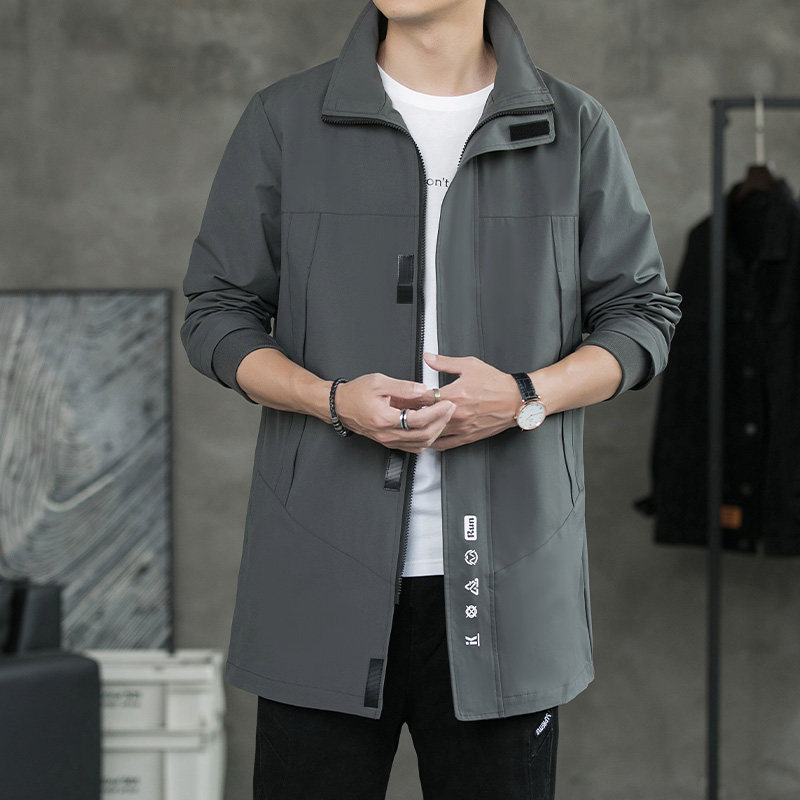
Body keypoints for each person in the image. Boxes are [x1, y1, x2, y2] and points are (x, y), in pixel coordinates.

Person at [180, 0, 683, 797]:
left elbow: (643, 314)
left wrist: (523, 395)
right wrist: (328, 399)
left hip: (506, 589)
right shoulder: (285, 120)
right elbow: (216, 312)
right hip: (320, 582)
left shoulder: (574, 127)